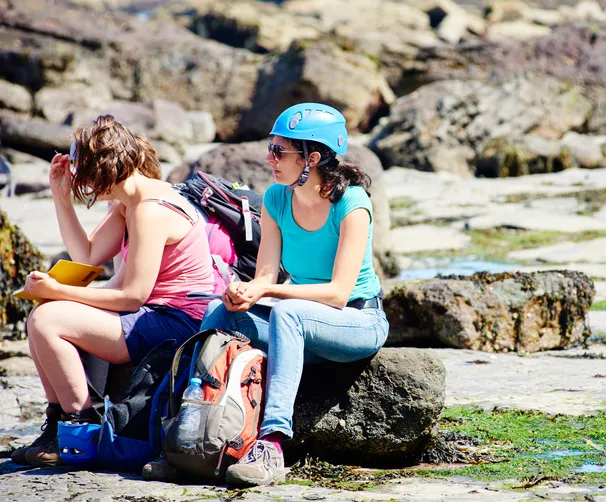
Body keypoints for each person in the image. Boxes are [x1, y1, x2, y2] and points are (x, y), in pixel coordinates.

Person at [199, 103, 389, 486]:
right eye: (270, 147)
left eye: (278, 151)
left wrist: (268, 290)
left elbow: (338, 293)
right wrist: (244, 293)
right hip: (301, 326)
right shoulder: (275, 198)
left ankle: (271, 443)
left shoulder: (353, 204)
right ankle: (194, 434)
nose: (269, 159)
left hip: (357, 322)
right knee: (218, 313)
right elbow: (265, 274)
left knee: (289, 313)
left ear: (312, 158)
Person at [11, 115, 217, 467]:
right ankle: (56, 426)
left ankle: (82, 428)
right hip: (152, 315)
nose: (85, 186)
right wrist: (61, 199)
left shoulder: (151, 211)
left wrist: (60, 291)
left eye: (85, 176)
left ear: (105, 169)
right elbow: (87, 255)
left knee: (47, 318)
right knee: (41, 314)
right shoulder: (131, 203)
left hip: (176, 324)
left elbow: (133, 296)